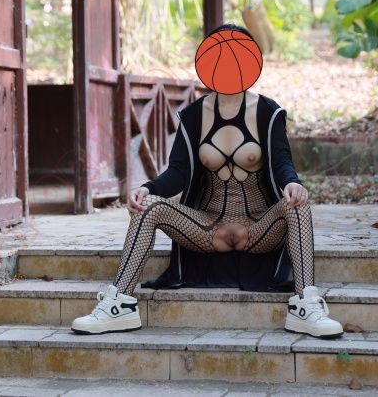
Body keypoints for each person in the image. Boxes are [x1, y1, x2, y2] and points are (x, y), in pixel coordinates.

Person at [71, 24, 343, 339]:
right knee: (148, 208)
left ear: (250, 62)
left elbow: (282, 163)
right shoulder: (194, 115)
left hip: (258, 227)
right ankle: (119, 303)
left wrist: (293, 183)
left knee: (298, 205)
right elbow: (178, 172)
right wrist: (147, 189)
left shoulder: (267, 112)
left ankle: (306, 304)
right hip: (207, 228)